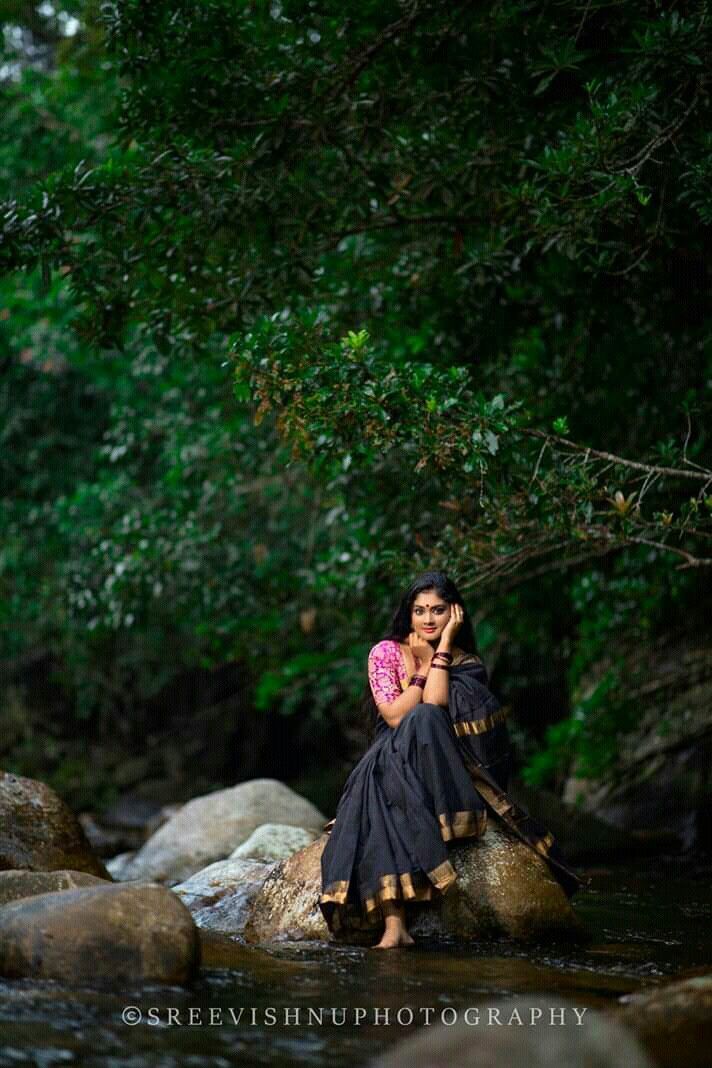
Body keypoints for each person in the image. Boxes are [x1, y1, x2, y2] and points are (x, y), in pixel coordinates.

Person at [318, 570, 587, 949]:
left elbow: (433, 707)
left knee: (407, 750)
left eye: (438, 611)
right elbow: (395, 717)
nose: (428, 619)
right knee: (385, 785)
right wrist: (421, 672)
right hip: (390, 751)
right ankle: (396, 926)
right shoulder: (386, 653)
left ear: (454, 614)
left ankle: (395, 926)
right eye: (420, 611)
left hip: (438, 761)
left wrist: (439, 651)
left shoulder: (467, 663)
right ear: (408, 615)